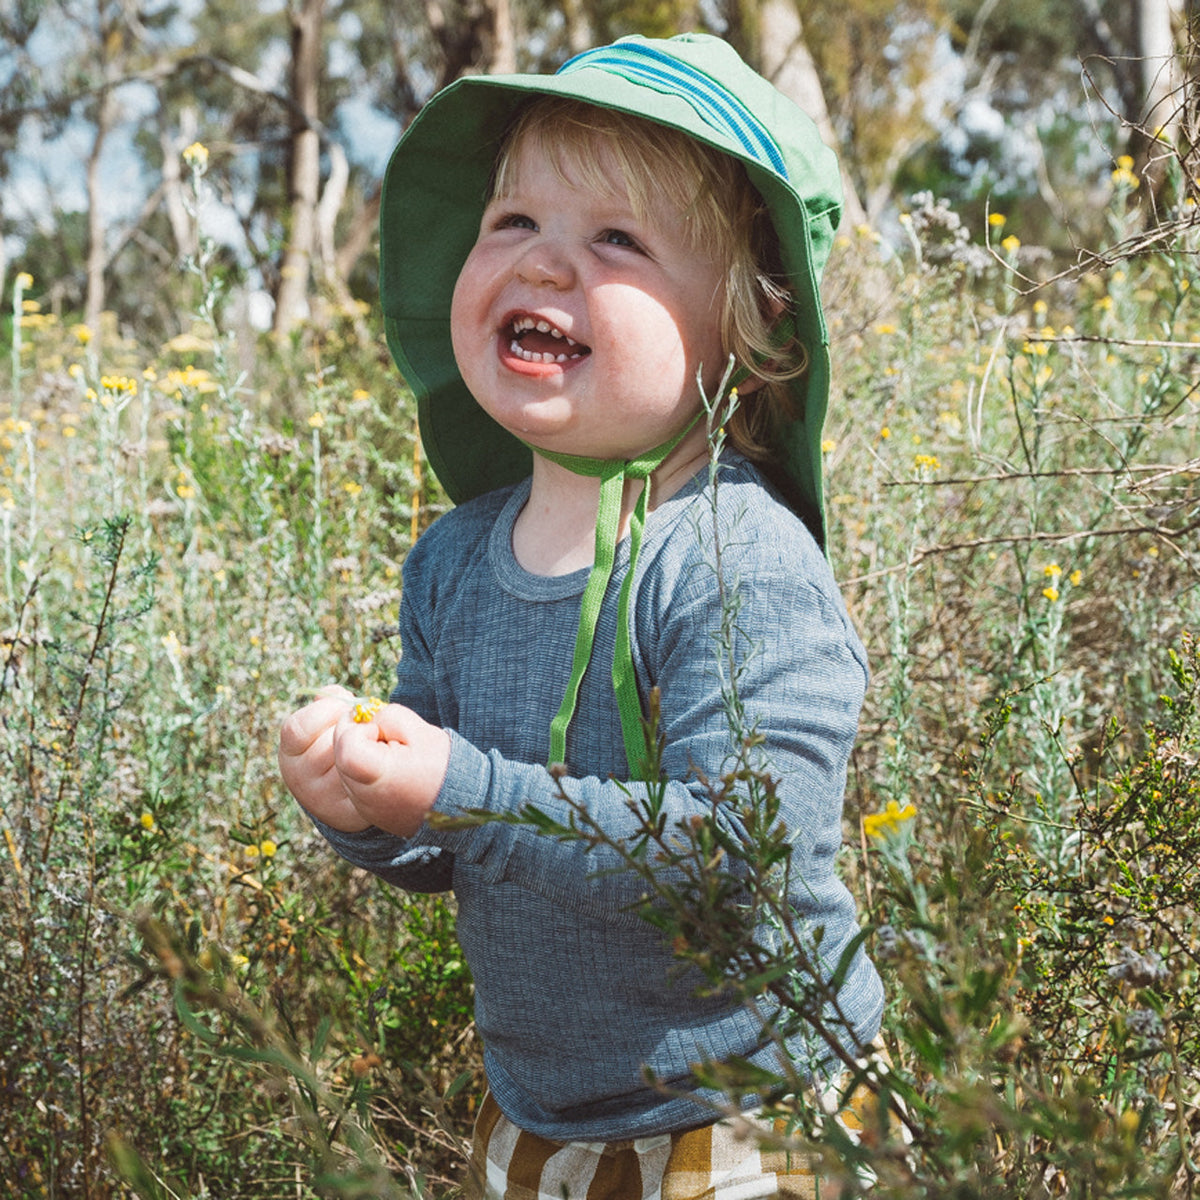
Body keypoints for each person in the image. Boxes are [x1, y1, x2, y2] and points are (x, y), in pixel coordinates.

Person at [278, 32, 885, 1198]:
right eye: (513, 222)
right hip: (551, 1125)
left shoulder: (730, 556)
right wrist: (366, 802)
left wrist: (464, 786)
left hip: (760, 1119)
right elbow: (460, 840)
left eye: (616, 239)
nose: (546, 265)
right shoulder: (454, 560)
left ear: (751, 333)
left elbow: (740, 859)